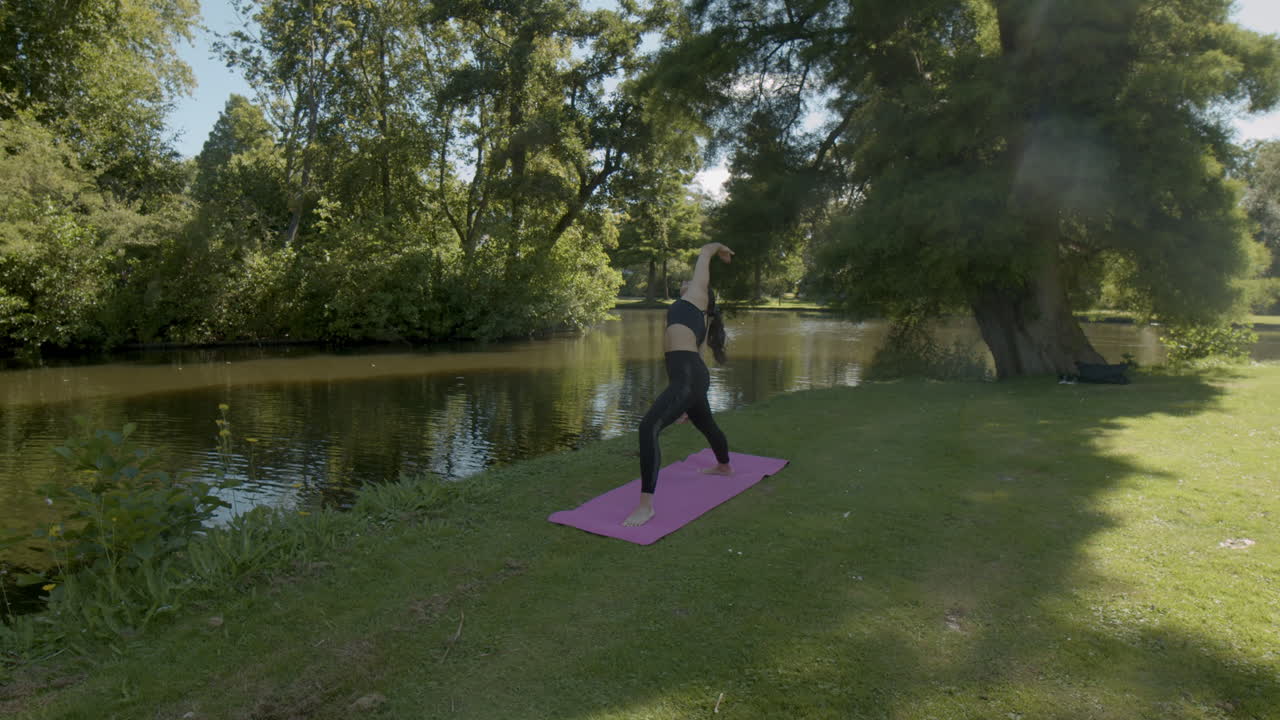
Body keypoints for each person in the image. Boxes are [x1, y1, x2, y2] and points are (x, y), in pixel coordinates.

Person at [623, 242, 735, 527]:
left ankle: (646, 506)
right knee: (707, 425)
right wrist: (686, 398)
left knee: (649, 427)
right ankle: (723, 466)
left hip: (688, 378)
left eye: (692, 280)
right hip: (689, 377)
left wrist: (718, 250)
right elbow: (694, 357)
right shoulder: (692, 311)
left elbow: (706, 251)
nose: (687, 281)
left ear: (702, 292)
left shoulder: (696, 298)